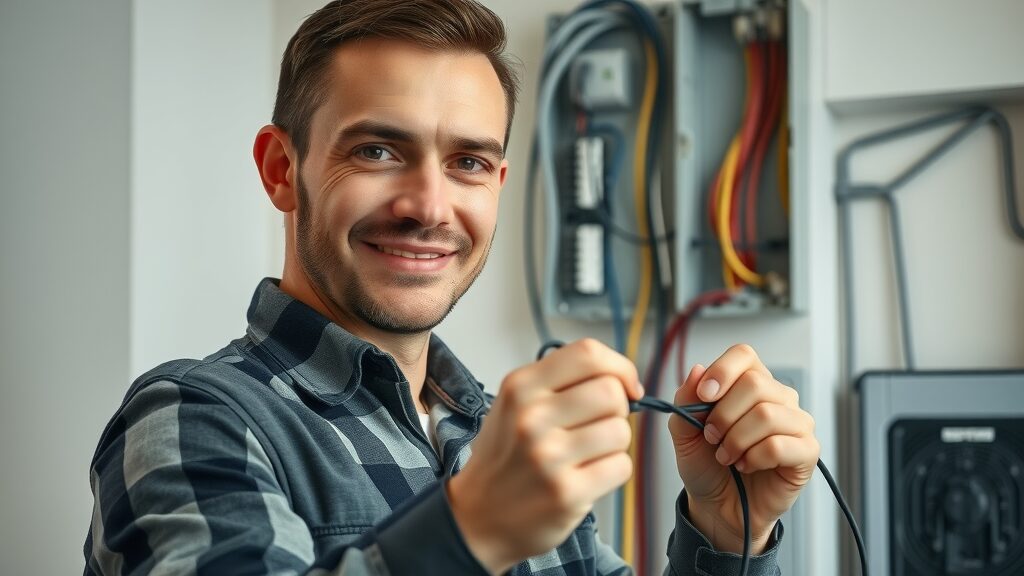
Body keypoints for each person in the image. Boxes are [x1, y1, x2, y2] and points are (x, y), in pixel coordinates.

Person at [84, 1, 820, 574]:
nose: (430, 208)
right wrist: (472, 531)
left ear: (498, 184)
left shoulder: (502, 436)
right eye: (377, 150)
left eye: (468, 162)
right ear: (283, 170)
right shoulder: (193, 418)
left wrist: (728, 532)